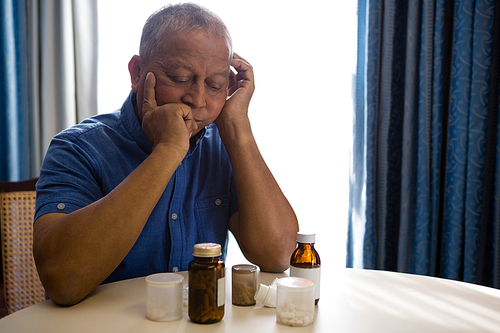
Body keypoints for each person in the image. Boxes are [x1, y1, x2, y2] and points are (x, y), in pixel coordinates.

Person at [33, 3, 298, 306]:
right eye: (181, 78)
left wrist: (237, 128)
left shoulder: (223, 147)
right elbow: (62, 281)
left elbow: (280, 256)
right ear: (137, 73)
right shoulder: (77, 149)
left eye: (214, 85)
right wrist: (167, 151)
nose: (198, 99)